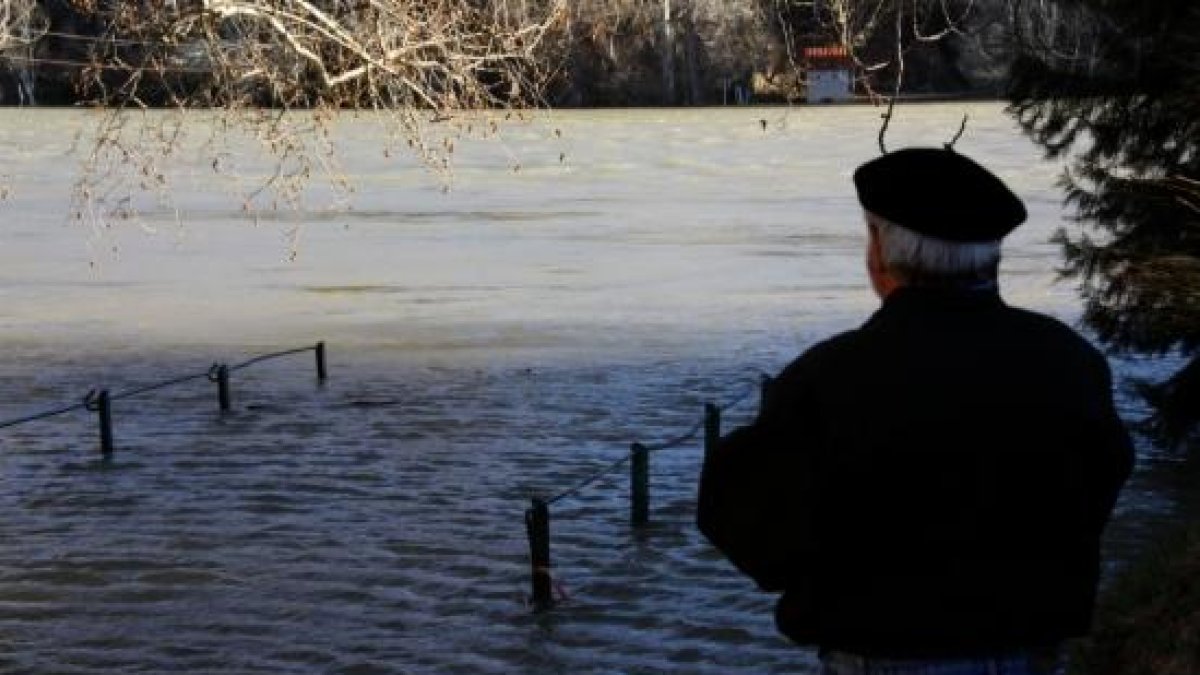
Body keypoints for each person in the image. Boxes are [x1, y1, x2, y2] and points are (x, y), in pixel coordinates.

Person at [697, 147, 1135, 675]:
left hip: (877, 654)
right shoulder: (1071, 364)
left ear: (880, 252)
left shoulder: (830, 378)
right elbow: (1099, 488)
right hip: (1030, 651)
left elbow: (739, 515)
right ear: (992, 254)